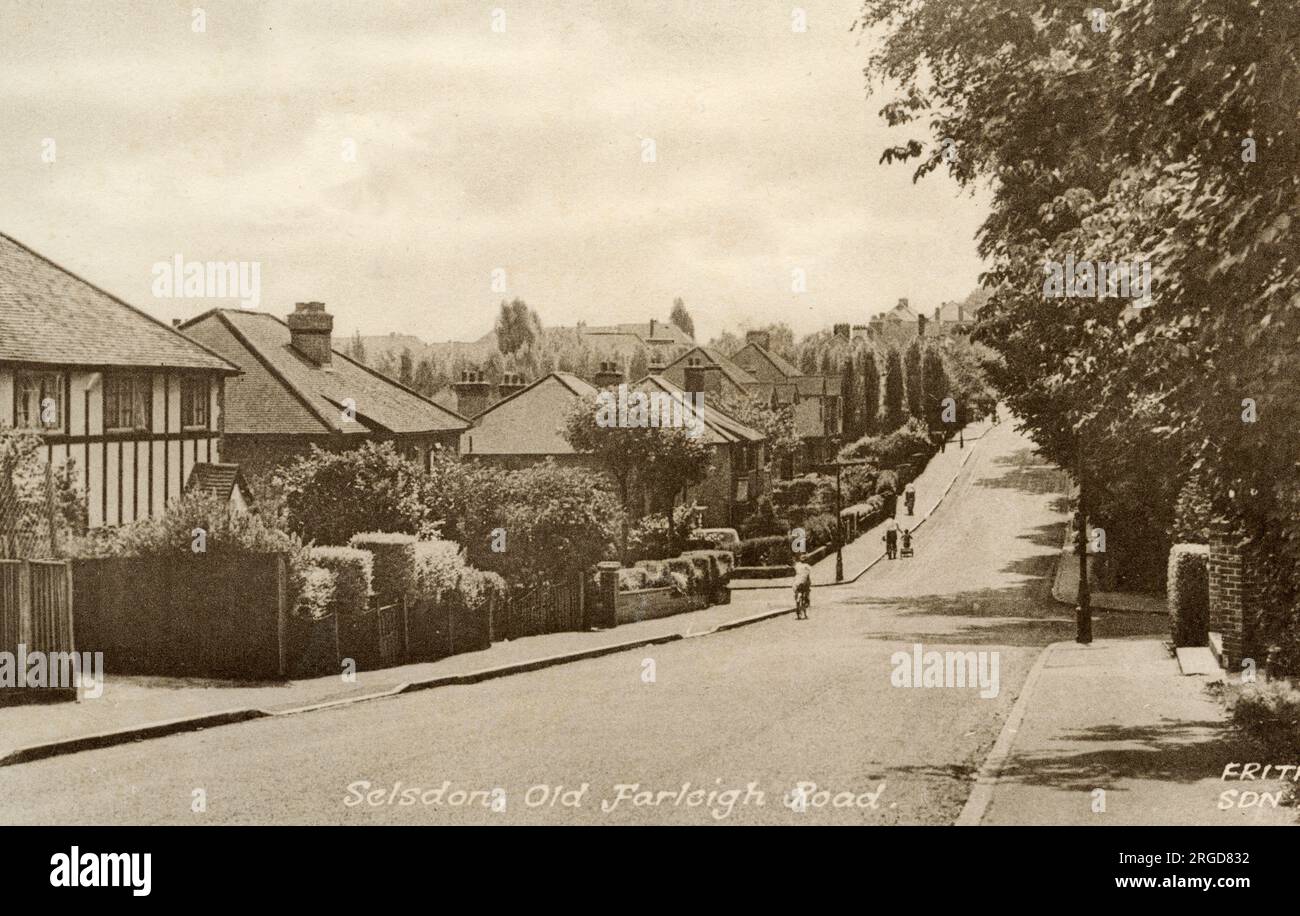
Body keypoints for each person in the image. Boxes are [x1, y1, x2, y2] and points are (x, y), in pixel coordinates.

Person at [792, 554, 813, 619]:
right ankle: (805, 614)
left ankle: (798, 613)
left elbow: (794, 569)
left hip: (796, 583)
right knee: (805, 595)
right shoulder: (807, 566)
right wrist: (809, 584)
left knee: (796, 595)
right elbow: (808, 577)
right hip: (803, 583)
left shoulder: (797, 565)